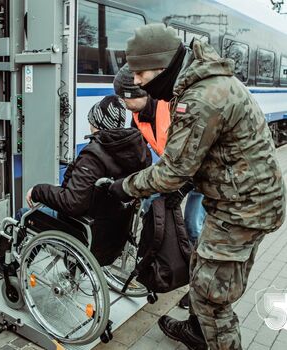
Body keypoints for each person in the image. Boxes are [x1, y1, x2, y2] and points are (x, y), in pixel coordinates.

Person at [109, 23, 286, 350]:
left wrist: (122, 187)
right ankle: (197, 330)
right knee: (205, 271)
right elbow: (204, 153)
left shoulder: (200, 98)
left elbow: (172, 171)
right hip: (244, 199)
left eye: (140, 76)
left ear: (162, 67)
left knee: (211, 297)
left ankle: (212, 336)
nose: (135, 83)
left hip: (243, 208)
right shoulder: (202, 82)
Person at [114, 64, 205, 308]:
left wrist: (182, 189)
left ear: (137, 95)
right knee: (150, 207)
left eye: (124, 97)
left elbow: (198, 153)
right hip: (175, 173)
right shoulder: (136, 115)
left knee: (193, 227)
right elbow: (137, 152)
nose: (121, 103)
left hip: (202, 177)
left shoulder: (173, 108)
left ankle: (198, 291)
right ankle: (157, 263)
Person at [24, 95, 151, 266]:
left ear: (97, 124)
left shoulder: (94, 156)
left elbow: (72, 203)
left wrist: (38, 190)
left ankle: (15, 267)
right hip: (112, 234)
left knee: (25, 215)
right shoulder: (134, 152)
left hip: (85, 230)